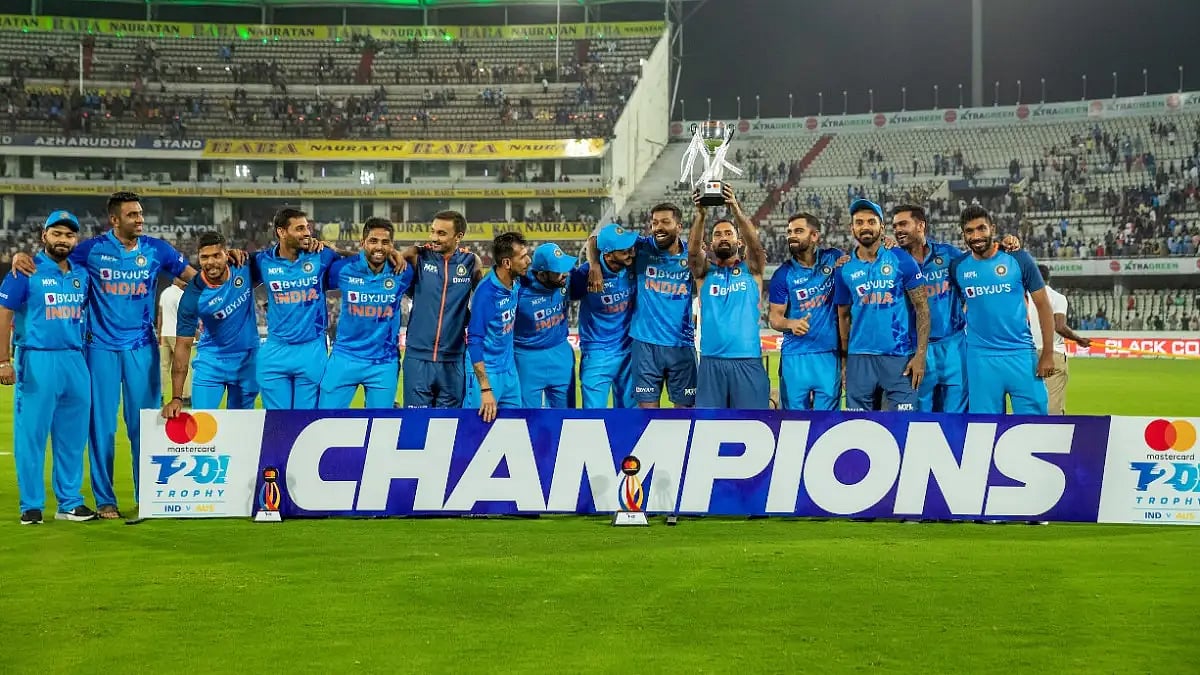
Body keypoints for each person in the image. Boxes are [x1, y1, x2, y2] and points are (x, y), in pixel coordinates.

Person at [12, 192, 197, 520]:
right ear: (114, 220)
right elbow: (53, 257)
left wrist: (228, 274)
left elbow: (195, 281)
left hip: (141, 346)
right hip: (99, 348)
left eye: (141, 214)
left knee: (144, 424)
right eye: (132, 215)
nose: (140, 220)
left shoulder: (157, 249)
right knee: (102, 428)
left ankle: (149, 495)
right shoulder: (90, 250)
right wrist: (21, 257)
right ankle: (105, 500)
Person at [0, 211, 96, 524]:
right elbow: (4, 313)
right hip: (37, 358)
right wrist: (3, 360)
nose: (63, 240)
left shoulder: (82, 274)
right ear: (44, 236)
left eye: (69, 235)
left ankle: (69, 502)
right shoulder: (25, 271)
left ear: (75, 240)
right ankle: (31, 505)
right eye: (57, 234)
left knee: (72, 436)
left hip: (74, 358)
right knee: (32, 436)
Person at [589, 202, 696, 408]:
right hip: (645, 344)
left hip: (681, 344)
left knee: (685, 414)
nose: (658, 227)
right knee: (646, 415)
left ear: (679, 226)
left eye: (665, 222)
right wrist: (595, 265)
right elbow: (595, 239)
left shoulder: (691, 256)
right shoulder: (641, 246)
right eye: (655, 223)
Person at [951, 205, 1056, 415]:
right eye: (969, 231)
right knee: (985, 429)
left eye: (981, 228)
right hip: (980, 358)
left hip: (1021, 355)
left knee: (1035, 426)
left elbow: (1043, 305)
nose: (976, 235)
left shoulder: (1018, 258)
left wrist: (1047, 353)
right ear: (963, 234)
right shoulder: (958, 266)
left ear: (993, 228)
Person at [834, 198, 930, 412]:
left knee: (903, 425)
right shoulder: (844, 268)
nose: (865, 227)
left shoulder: (901, 259)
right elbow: (843, 316)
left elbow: (922, 308)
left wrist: (920, 355)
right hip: (859, 359)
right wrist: (845, 360)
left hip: (899, 357)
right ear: (852, 228)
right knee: (858, 427)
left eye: (871, 221)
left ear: (881, 227)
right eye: (859, 222)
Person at [688, 186, 770, 408]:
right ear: (711, 244)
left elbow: (755, 244)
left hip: (747, 360)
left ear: (738, 241)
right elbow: (694, 253)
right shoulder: (704, 274)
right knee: (709, 428)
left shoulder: (752, 270)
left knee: (752, 425)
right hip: (710, 362)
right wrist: (701, 215)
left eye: (728, 233)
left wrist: (735, 207)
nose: (723, 238)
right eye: (717, 235)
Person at [319, 218, 414, 409]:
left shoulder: (403, 272)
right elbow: (313, 286)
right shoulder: (342, 269)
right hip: (345, 357)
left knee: (380, 427)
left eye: (385, 242)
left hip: (383, 363)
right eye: (373, 241)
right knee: (324, 420)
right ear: (363, 243)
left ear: (392, 245)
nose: (379, 246)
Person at [251, 208, 340, 410]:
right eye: (300, 228)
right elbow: (235, 282)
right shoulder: (261, 261)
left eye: (308, 228)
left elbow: (360, 263)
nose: (307, 233)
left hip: (311, 349)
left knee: (305, 424)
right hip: (275, 350)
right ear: (281, 232)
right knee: (278, 425)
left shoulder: (322, 255)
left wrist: (336, 249)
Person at [162, 231, 260, 414]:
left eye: (216, 255)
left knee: (241, 430)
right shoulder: (193, 295)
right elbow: (182, 347)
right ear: (198, 258)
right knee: (201, 424)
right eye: (204, 257)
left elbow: (279, 257)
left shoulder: (245, 265)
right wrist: (176, 398)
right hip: (211, 363)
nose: (211, 262)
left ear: (226, 253)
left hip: (247, 361)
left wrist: (321, 247)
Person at [399, 211, 483, 408]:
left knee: (448, 426)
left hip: (452, 360)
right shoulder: (417, 256)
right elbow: (381, 262)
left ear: (459, 236)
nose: (434, 238)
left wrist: (466, 317)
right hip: (417, 357)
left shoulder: (471, 262)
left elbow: (483, 302)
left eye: (442, 233)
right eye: (432, 231)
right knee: (416, 424)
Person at [891, 204, 969, 413]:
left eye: (903, 224)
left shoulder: (949, 254)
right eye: (895, 226)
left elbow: (977, 270)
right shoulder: (892, 261)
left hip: (953, 345)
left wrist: (1006, 247)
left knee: (956, 413)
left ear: (920, 225)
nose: (898, 230)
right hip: (916, 350)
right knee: (920, 416)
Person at [768, 213, 845, 410]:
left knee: (828, 423)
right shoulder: (783, 274)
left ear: (814, 236)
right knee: (793, 423)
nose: (792, 236)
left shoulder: (833, 258)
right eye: (789, 232)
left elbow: (863, 260)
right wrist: (790, 323)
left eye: (798, 231)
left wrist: (885, 243)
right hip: (795, 356)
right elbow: (774, 318)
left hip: (828, 354)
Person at [570, 223, 638, 408]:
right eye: (624, 251)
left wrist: (594, 264)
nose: (631, 253)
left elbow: (592, 240)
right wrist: (593, 266)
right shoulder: (584, 275)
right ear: (607, 255)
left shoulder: (633, 264)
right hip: (597, 353)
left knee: (629, 417)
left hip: (629, 351)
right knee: (593, 417)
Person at [465, 232, 531, 422]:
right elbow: (474, 341)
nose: (528, 260)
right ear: (507, 263)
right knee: (476, 433)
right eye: (523, 257)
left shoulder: (515, 281)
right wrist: (485, 388)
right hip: (487, 375)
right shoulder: (486, 294)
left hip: (509, 371)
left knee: (514, 428)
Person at [513, 243, 576, 408]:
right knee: (526, 419)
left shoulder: (567, 280)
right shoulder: (518, 290)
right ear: (541, 274)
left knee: (566, 418)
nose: (565, 274)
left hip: (560, 352)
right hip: (526, 358)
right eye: (558, 271)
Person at [1026, 264, 1090, 415]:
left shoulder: (1022, 298)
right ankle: (1053, 435)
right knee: (1053, 404)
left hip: (1026, 354)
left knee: (1030, 402)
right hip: (1052, 353)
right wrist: (1078, 339)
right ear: (1048, 279)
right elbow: (1059, 326)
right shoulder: (1057, 298)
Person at [157, 279, 191, 406]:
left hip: (165, 332)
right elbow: (185, 317)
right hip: (177, 334)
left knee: (163, 367)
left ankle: (159, 395)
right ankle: (186, 396)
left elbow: (160, 315)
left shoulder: (165, 293)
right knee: (183, 365)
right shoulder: (181, 295)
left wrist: (160, 334)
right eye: (184, 280)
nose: (186, 282)